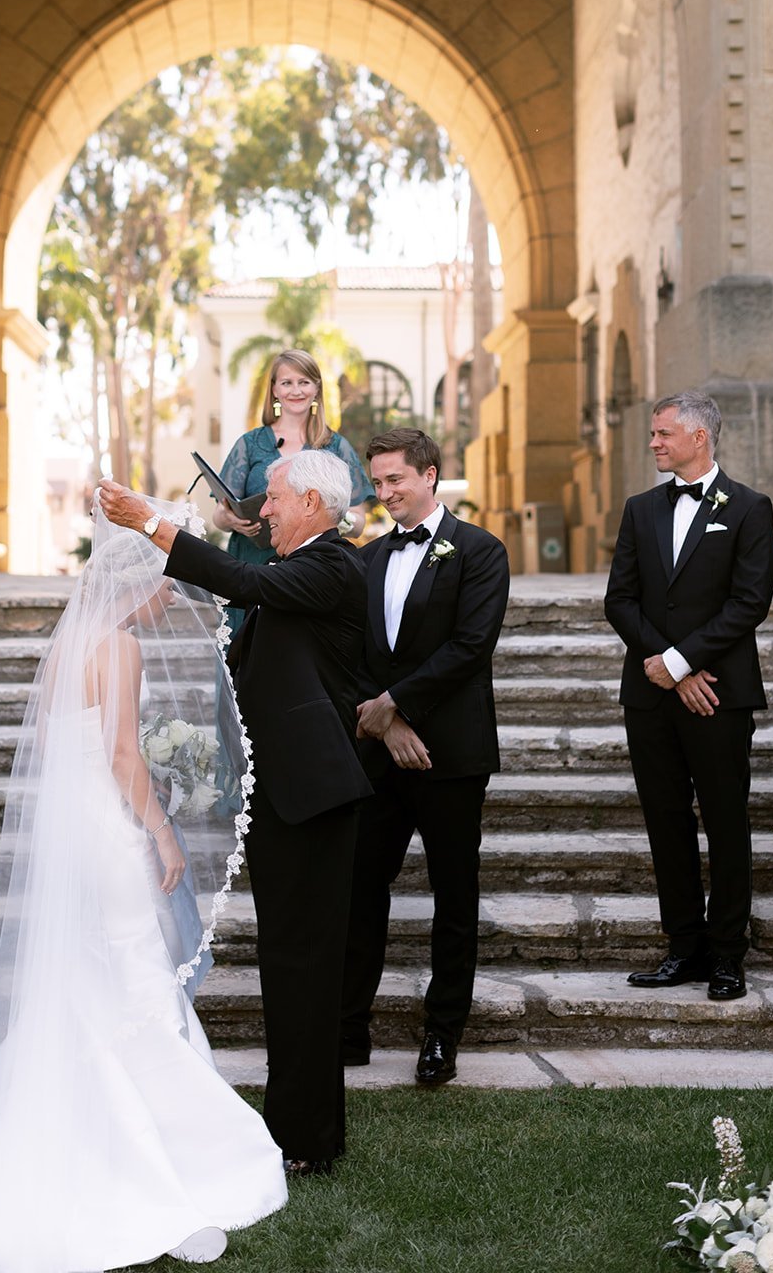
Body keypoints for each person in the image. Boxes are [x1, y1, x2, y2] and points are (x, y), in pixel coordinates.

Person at [0, 502, 287, 1270]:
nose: (171, 593)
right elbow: (121, 757)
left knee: (82, 979)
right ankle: (167, 1153)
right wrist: (158, 827)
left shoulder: (66, 649)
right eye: (166, 580)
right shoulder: (118, 648)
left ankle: (23, 1142)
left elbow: (61, 749)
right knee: (135, 977)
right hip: (110, 832)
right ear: (140, 580)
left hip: (71, 831)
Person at [100, 450, 372, 1176]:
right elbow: (237, 593)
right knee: (288, 970)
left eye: (275, 499)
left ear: (313, 502)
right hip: (284, 797)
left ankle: (306, 1141)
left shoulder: (334, 564)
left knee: (306, 973)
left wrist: (153, 523)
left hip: (313, 799)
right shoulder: (296, 573)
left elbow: (243, 579)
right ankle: (295, 1131)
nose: (264, 512)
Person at [340, 427, 510, 1087]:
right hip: (380, 756)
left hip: (452, 753)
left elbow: (470, 647)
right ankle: (348, 1027)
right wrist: (385, 727)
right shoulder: (366, 559)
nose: (384, 495)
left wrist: (402, 709)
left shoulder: (479, 551)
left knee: (453, 897)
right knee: (359, 889)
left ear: (429, 475)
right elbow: (353, 655)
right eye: (376, 483)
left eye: (394, 481)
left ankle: (441, 1036)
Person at [604, 390, 773, 1003]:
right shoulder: (639, 508)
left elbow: (749, 603)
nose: (653, 442)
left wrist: (682, 662)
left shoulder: (752, 508)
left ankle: (728, 954)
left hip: (719, 695)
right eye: (654, 434)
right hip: (650, 697)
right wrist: (666, 669)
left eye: (663, 433)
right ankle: (684, 947)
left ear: (699, 437)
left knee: (727, 822)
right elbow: (618, 599)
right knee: (666, 822)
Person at [213, 350, 372, 633]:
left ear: (317, 388)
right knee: (247, 647)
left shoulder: (336, 446)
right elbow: (219, 515)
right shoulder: (249, 444)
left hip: (312, 569)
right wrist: (232, 520)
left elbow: (359, 522)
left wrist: (340, 519)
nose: (296, 390)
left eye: (304, 382)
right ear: (274, 389)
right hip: (253, 562)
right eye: (287, 383)